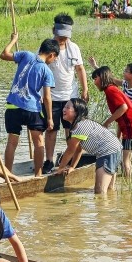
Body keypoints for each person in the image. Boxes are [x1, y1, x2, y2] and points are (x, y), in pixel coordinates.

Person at [0, 34, 58, 177]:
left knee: (12, 142)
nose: (54, 60)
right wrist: (50, 118)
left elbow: (4, 54)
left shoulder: (26, 55)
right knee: (38, 142)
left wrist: (13, 40)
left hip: (13, 106)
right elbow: (46, 97)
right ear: (51, 55)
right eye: (55, 58)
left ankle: (8, 175)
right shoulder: (47, 71)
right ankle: (38, 175)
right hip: (32, 109)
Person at [43, 13, 89, 174]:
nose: (63, 40)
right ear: (53, 30)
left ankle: (69, 160)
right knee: (51, 129)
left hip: (71, 97)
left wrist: (85, 89)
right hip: (52, 97)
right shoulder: (47, 47)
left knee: (71, 130)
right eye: (60, 36)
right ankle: (48, 160)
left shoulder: (73, 48)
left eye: (65, 37)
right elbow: (39, 68)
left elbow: (80, 69)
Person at [54, 98, 122, 194]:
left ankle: (103, 209)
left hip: (108, 152)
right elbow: (78, 150)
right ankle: (111, 208)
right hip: (114, 150)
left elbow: (70, 151)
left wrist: (60, 168)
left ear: (76, 112)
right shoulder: (80, 126)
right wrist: (72, 166)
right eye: (64, 107)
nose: (63, 109)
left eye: (67, 107)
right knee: (110, 190)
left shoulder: (80, 127)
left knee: (100, 192)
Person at [92, 66, 132, 178]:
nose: (94, 82)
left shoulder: (110, 90)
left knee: (126, 160)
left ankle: (129, 191)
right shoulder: (112, 88)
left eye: (95, 79)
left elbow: (123, 107)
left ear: (102, 78)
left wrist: (107, 122)